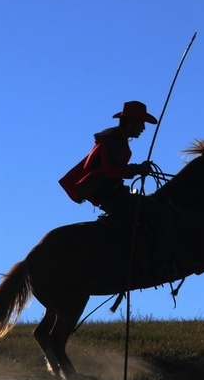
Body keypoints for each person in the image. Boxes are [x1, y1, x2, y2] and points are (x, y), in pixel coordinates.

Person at [59, 100, 175, 277]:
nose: (143, 128)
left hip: (111, 194)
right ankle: (161, 265)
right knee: (163, 215)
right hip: (112, 197)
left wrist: (137, 169)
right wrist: (137, 169)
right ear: (130, 122)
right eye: (141, 123)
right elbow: (111, 168)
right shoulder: (114, 140)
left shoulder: (115, 139)